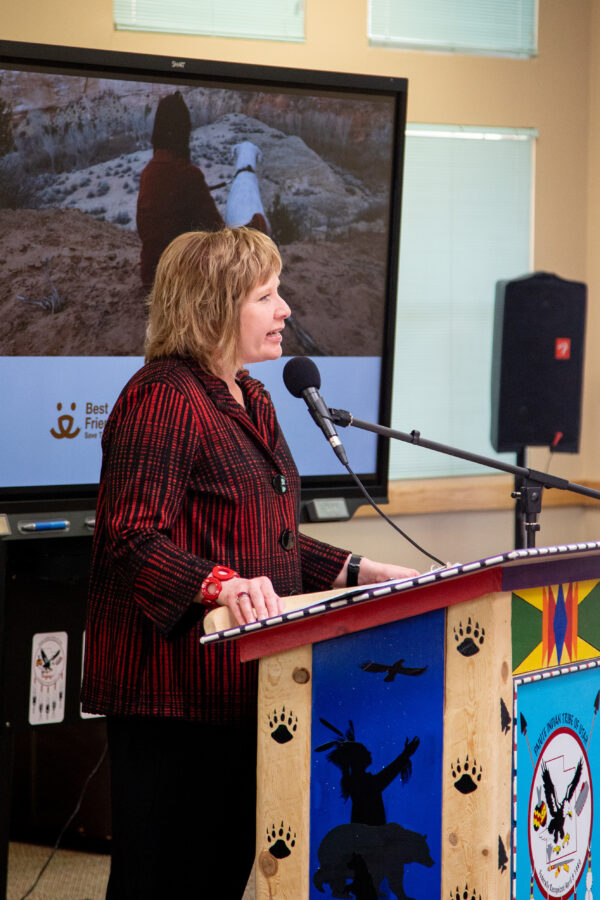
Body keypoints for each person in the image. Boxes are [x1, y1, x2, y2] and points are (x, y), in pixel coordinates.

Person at [81, 227, 419, 899]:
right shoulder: (163, 398)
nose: (285, 309)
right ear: (213, 306)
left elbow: (266, 540)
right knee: (166, 882)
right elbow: (130, 537)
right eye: (266, 296)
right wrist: (219, 585)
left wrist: (359, 570)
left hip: (244, 689)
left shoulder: (253, 397)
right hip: (173, 695)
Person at [136, 91, 224, 288]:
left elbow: (145, 231)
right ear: (183, 132)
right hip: (179, 283)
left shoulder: (147, 172)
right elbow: (217, 233)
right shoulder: (189, 175)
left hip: (150, 278)